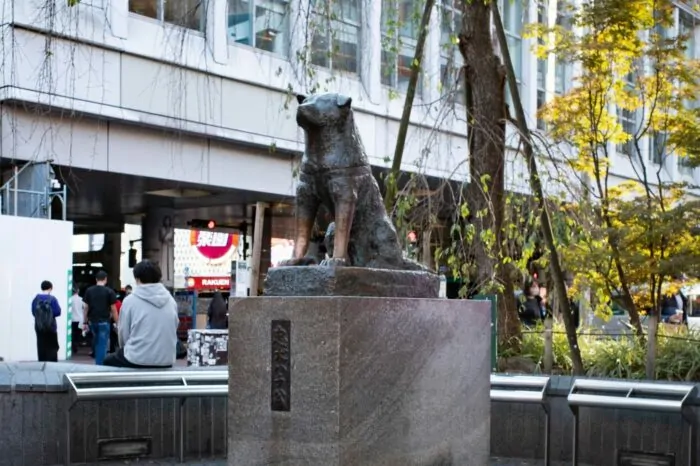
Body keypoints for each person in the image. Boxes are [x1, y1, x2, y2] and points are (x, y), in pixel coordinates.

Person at [104, 260, 179, 368]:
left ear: (137, 279)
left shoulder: (130, 301)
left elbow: (123, 334)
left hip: (137, 358)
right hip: (166, 360)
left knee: (107, 361)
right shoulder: (171, 301)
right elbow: (174, 327)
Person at [82, 271, 118, 365]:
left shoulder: (89, 291)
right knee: (102, 344)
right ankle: (100, 365)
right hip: (104, 321)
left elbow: (86, 308)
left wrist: (85, 321)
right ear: (105, 279)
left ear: (96, 279)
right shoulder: (109, 291)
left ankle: (98, 360)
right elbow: (113, 309)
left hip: (92, 321)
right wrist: (117, 323)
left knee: (96, 341)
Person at [31, 280, 61, 362]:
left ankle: (42, 362)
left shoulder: (36, 299)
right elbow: (57, 312)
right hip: (51, 326)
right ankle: (52, 363)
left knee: (41, 345)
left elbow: (33, 312)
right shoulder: (52, 299)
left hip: (39, 326)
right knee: (52, 346)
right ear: (50, 288)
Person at [70, 287, 84, 353]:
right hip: (80, 319)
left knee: (72, 333)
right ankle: (76, 345)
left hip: (72, 319)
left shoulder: (70, 299)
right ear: (78, 291)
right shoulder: (81, 299)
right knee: (78, 333)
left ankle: (73, 346)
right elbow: (85, 308)